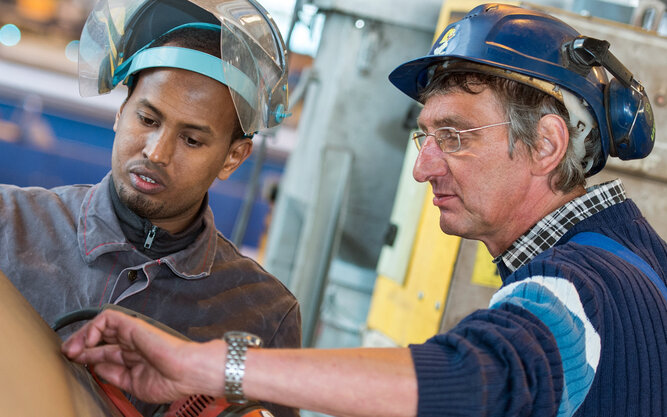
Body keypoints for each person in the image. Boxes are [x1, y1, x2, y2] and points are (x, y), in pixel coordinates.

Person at [61, 4, 667, 416]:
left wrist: (211, 365)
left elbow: (486, 375)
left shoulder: (578, 291)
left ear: (547, 144)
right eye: (423, 137)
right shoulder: (638, 261)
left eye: (454, 136)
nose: (424, 168)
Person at [0, 0, 300, 415]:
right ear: (120, 113)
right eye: (148, 120)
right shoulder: (0, 223)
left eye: (192, 140)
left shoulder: (261, 315)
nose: (156, 152)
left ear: (233, 157)